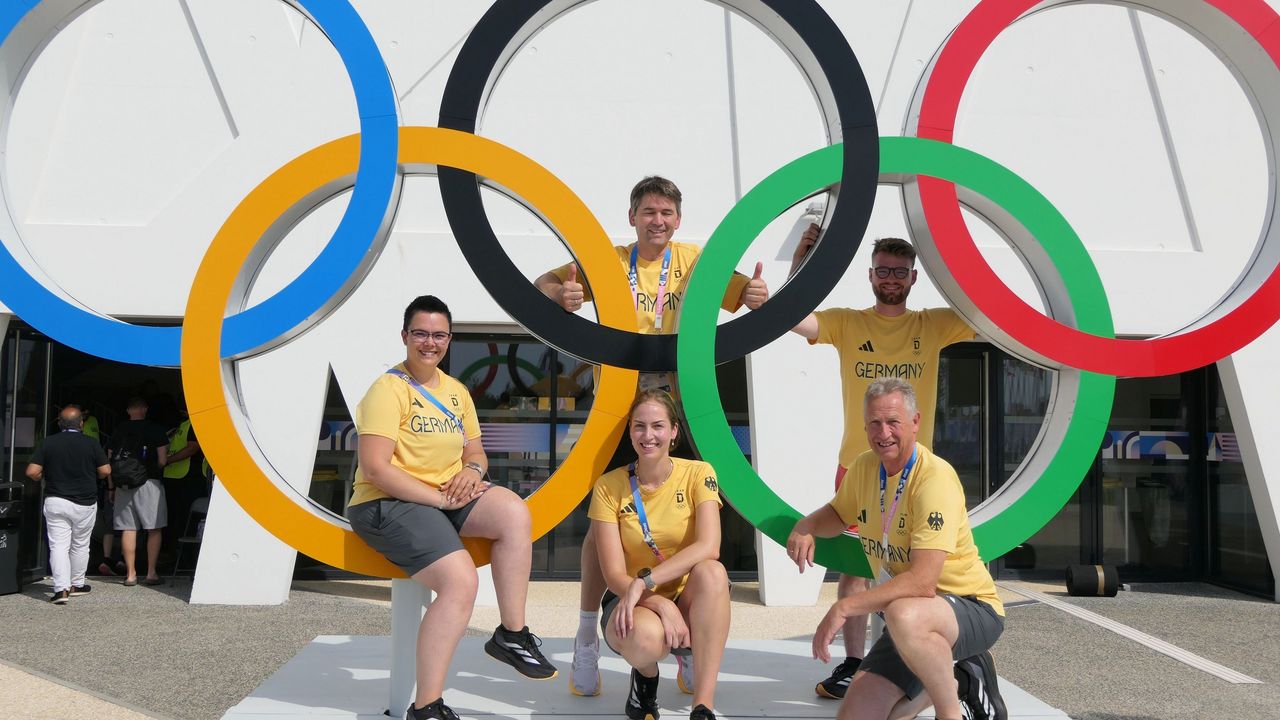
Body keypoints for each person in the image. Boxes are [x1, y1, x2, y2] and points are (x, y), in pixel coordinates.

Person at [534, 175, 767, 697]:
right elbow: (541, 287)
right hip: (620, 405)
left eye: (665, 212)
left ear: (677, 219)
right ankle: (586, 638)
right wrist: (562, 293)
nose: (656, 220)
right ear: (632, 216)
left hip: (684, 405)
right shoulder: (607, 260)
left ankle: (687, 638)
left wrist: (755, 294)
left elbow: (745, 295)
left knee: (706, 510)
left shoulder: (695, 260)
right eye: (647, 212)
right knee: (602, 523)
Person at [346, 295, 557, 720]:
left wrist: (473, 472)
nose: (429, 342)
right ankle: (426, 707)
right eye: (420, 333)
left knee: (514, 512)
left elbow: (476, 452)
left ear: (449, 340)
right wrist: (440, 498)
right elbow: (375, 469)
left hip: (444, 497)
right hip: (388, 501)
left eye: (438, 335)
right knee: (460, 582)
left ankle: (512, 635)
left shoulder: (457, 392)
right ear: (405, 336)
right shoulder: (388, 390)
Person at [790, 231, 975, 698]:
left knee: (921, 570)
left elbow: (988, 317)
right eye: (883, 270)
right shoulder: (850, 323)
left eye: (899, 271)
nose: (890, 279)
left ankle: (917, 661)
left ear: (913, 277)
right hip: (858, 470)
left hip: (915, 475)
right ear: (870, 274)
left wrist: (954, 249)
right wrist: (798, 264)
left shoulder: (932, 324)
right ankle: (854, 663)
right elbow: (793, 319)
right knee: (856, 569)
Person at [786, 378, 1006, 720]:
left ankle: (950, 713)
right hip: (910, 622)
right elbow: (838, 513)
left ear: (916, 422)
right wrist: (807, 526)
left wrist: (845, 607)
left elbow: (923, 583)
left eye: (893, 422)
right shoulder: (863, 467)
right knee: (857, 715)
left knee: (903, 611)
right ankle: (962, 678)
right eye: (874, 423)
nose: (883, 432)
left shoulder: (935, 479)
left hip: (970, 608)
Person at [589, 389, 729, 720]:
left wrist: (648, 580)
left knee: (713, 572)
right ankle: (646, 678)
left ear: (674, 431)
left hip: (689, 594)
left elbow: (710, 546)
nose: (648, 436)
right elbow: (613, 575)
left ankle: (703, 704)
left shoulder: (699, 473)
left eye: (657, 426)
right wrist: (659, 601)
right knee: (644, 641)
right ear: (630, 431)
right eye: (639, 426)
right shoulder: (609, 486)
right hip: (633, 600)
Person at [26, 405, 110, 604]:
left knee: (58, 546)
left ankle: (60, 590)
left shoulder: (49, 443)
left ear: (60, 423)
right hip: (85, 502)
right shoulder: (91, 443)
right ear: (81, 424)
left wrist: (41, 476)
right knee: (81, 545)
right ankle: (77, 584)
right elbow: (105, 470)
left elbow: (31, 471)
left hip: (56, 500)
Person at [107, 397, 169, 586]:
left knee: (128, 528)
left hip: (123, 484)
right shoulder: (156, 430)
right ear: (145, 409)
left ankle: (131, 575)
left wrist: (111, 487)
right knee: (154, 528)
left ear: (128, 410)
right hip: (149, 482)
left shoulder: (118, 431)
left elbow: (110, 461)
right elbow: (162, 460)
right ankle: (151, 573)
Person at [162, 407, 209, 548]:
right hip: (174, 477)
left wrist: (168, 460)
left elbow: (193, 447)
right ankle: (172, 551)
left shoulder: (195, 423)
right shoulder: (182, 425)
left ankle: (184, 554)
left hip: (189, 478)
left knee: (185, 519)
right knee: (173, 517)